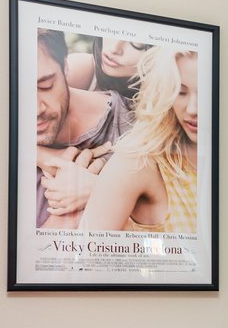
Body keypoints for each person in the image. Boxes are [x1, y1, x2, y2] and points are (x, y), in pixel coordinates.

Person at [80, 46, 199, 235]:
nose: (193, 109)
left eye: (205, 94)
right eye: (180, 92)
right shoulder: (138, 163)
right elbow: (85, 257)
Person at [34, 29, 134, 229]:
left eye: (45, 85)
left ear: (66, 66)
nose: (36, 109)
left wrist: (103, 189)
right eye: (16, 93)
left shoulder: (133, 129)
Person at [64, 37, 149, 102]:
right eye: (114, 31)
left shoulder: (155, 102)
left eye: (137, 44)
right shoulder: (80, 67)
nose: (114, 49)